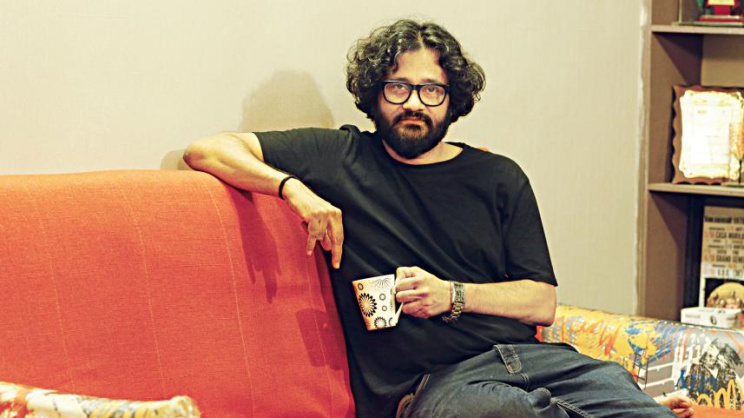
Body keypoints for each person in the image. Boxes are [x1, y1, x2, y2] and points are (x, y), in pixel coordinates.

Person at [184, 19, 688, 418]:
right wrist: (291, 188)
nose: (414, 104)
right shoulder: (340, 158)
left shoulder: (498, 177)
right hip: (432, 387)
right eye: (398, 88)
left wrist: (452, 295)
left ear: (452, 100)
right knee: (499, 411)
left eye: (431, 91)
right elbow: (206, 150)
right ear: (374, 93)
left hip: (532, 362)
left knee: (603, 381)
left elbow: (541, 302)